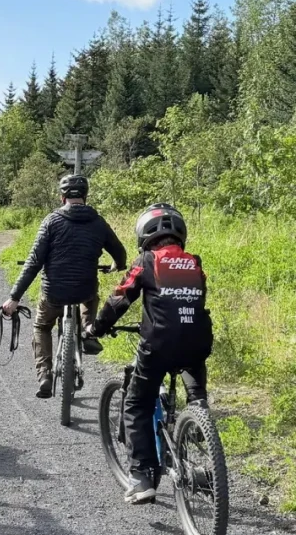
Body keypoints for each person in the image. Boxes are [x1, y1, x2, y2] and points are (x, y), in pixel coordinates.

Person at [88, 203, 213, 504]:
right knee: (196, 392)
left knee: (136, 404)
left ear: (144, 235)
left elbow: (121, 298)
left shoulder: (147, 260)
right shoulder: (195, 263)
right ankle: (200, 430)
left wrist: (97, 327)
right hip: (197, 343)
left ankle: (143, 476)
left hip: (158, 345)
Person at [2, 174, 127, 398]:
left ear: (62, 197)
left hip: (53, 294)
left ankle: (44, 376)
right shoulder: (98, 222)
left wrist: (14, 297)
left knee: (42, 327)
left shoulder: (51, 221)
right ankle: (88, 331)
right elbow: (119, 252)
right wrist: (117, 265)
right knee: (90, 296)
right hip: (84, 290)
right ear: (86, 197)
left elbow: (33, 263)